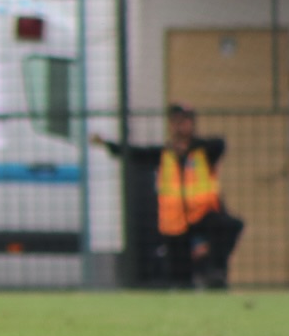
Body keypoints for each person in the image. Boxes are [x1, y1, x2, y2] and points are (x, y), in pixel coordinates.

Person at [92, 102, 238, 288]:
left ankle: (213, 267)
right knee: (179, 277)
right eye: (176, 122)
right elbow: (135, 154)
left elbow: (220, 144)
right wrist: (108, 145)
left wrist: (190, 147)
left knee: (228, 227)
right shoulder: (164, 154)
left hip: (202, 216)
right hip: (174, 224)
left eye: (184, 121)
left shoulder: (204, 151)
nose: (180, 126)